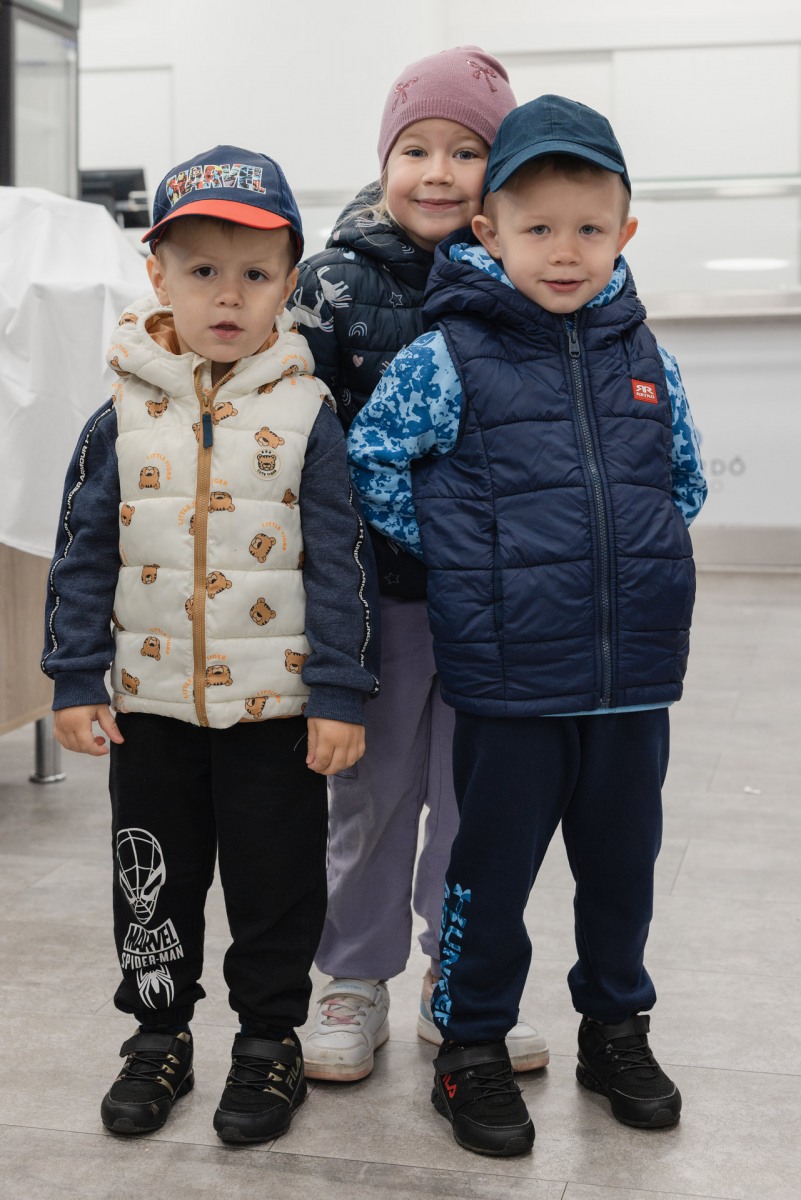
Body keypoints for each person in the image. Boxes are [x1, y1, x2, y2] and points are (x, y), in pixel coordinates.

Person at [347, 94, 707, 1156]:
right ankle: (469, 1045)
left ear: (624, 233)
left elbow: (681, 480)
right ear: (488, 231)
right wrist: (467, 554)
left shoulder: (647, 357)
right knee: (490, 873)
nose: (564, 251)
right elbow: (373, 458)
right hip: (508, 680)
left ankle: (615, 1030)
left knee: (622, 870)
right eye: (537, 227)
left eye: (589, 228)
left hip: (632, 679)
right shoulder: (448, 355)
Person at [41, 145, 378, 1144]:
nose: (228, 296)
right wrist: (74, 676)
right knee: (153, 877)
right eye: (201, 271)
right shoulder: (119, 414)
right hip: (149, 709)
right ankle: (158, 1035)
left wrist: (340, 692)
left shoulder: (309, 414)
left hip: (276, 711)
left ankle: (269, 1042)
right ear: (158, 276)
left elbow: (342, 564)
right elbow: (81, 552)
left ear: (289, 281)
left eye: (255, 274)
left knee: (277, 884)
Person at [289, 46, 548, 1082]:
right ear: (384, 159)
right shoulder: (331, 281)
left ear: (501, 168)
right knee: (373, 796)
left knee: (475, 800)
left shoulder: (529, 274)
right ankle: (352, 981)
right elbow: (295, 432)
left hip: (493, 606)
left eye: (466, 151)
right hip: (377, 602)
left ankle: (462, 976)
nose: (438, 172)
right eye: (415, 149)